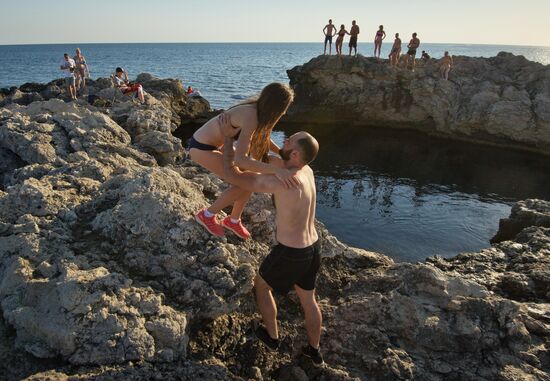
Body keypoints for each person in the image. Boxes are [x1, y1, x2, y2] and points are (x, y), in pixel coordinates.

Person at [218, 113, 324, 367]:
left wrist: (226, 142)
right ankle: (314, 350)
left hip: (291, 252)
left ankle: (272, 337)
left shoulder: (284, 181)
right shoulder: (306, 170)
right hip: (313, 247)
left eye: (290, 142)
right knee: (308, 299)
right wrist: (257, 137)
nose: (284, 141)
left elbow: (236, 176)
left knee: (261, 285)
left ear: (296, 155)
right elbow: (272, 159)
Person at [190, 83, 297, 240]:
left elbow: (263, 137)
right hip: (201, 148)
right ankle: (206, 215)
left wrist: (280, 152)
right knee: (245, 181)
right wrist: (277, 170)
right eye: (285, 108)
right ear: (278, 107)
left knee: (250, 177)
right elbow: (241, 159)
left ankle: (233, 220)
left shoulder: (257, 111)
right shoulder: (251, 116)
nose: (285, 112)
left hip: (213, 145)